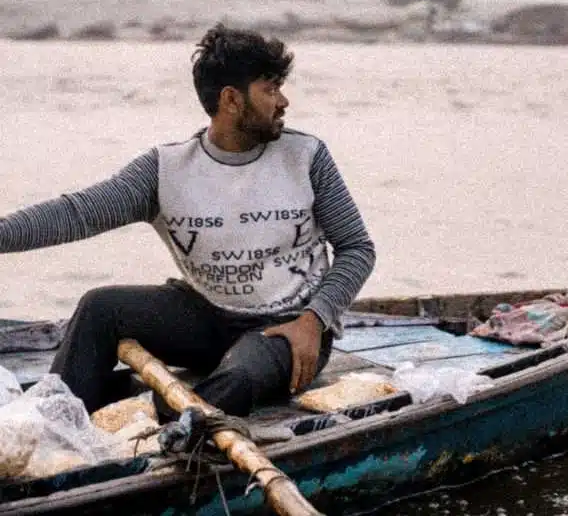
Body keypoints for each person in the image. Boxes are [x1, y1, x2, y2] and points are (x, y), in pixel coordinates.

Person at [0, 25, 376, 418]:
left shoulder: (307, 156)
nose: (283, 101)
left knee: (242, 376)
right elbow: (76, 213)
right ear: (231, 99)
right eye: (269, 89)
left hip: (284, 329)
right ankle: (55, 424)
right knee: (100, 308)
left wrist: (315, 319)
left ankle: (151, 414)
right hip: (206, 317)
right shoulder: (167, 169)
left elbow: (357, 249)